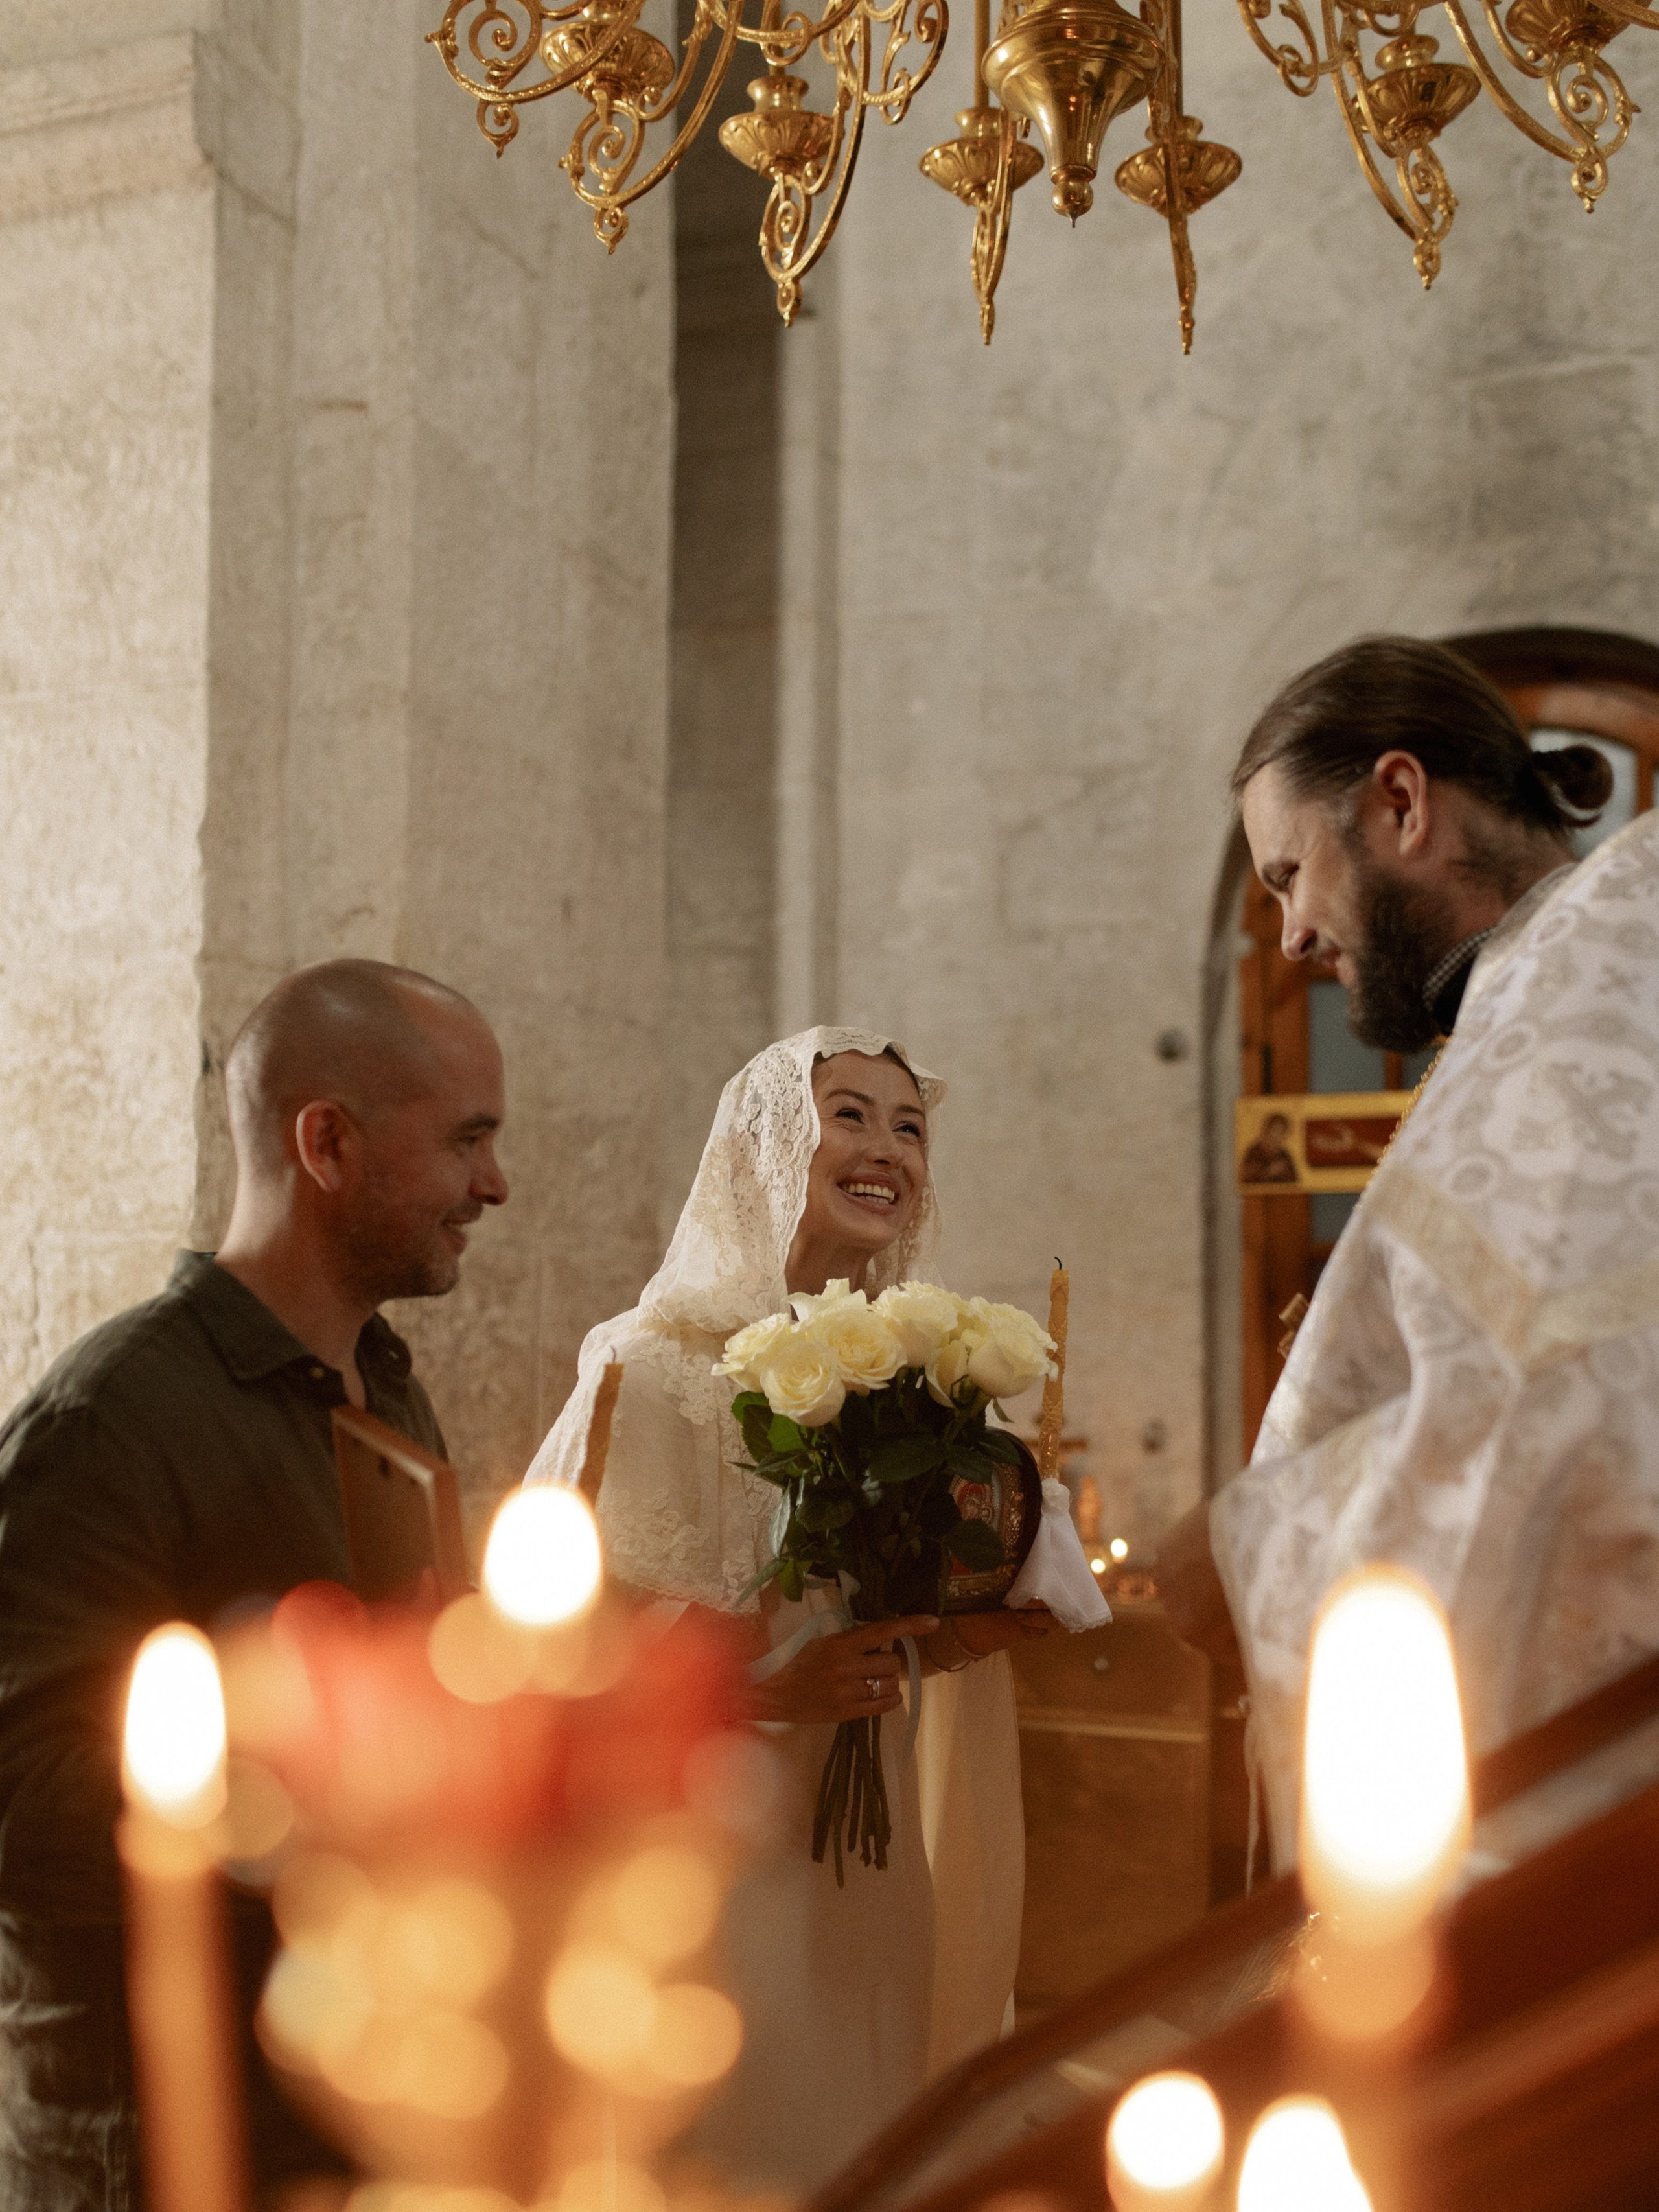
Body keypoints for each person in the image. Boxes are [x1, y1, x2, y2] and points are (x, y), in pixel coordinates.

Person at [0, 958, 509, 2212]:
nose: (494, 1185)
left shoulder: (386, 1383)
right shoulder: (112, 1418)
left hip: (340, 2097)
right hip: (158, 2133)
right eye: (467, 1140)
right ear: (325, 1141)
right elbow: (20, 1805)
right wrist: (323, 1781)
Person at [1158, 634, 1659, 1865]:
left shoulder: (1587, 987)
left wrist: (1251, 1547)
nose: (1284, 937)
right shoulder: (1547, 987)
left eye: (1288, 874)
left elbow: (1590, 1395)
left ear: (1400, 800)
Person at [526, 1027, 1054, 2193]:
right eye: (850, 1114)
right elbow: (551, 1654)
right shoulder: (644, 1367)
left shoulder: (912, 1387)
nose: (887, 1149)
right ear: (765, 1148)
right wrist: (762, 1688)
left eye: (909, 1125)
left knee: (870, 2126)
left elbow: (904, 1619)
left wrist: (985, 1618)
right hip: (713, 1851)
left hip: (869, 1861)